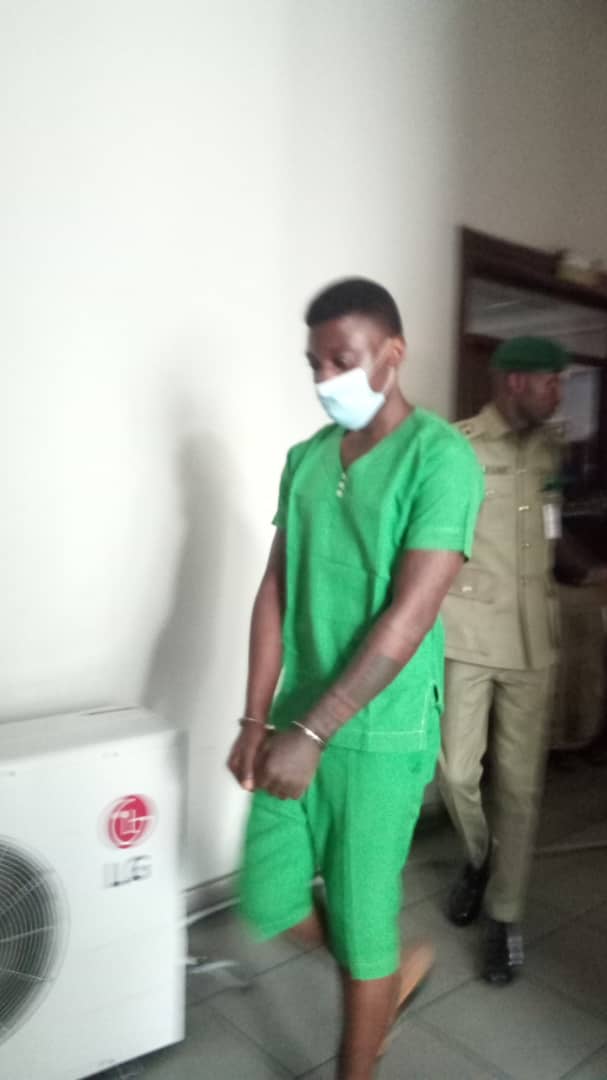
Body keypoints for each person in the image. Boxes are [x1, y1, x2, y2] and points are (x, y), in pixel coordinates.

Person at [227, 278, 484, 1080]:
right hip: (295, 717)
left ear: (392, 353)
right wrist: (256, 718)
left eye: (341, 360)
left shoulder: (440, 459)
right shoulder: (305, 459)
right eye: (314, 363)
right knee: (269, 896)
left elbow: (410, 614)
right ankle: (386, 976)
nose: (323, 378)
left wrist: (312, 731)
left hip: (377, 733)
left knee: (361, 923)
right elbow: (275, 589)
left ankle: (360, 1043)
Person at [438, 335, 567, 986]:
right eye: (550, 381)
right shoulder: (456, 446)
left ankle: (505, 913)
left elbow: (550, 532)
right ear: (515, 381)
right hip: (468, 632)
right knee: (456, 771)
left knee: (520, 786)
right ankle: (479, 855)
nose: (558, 393)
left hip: (533, 641)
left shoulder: (551, 449)